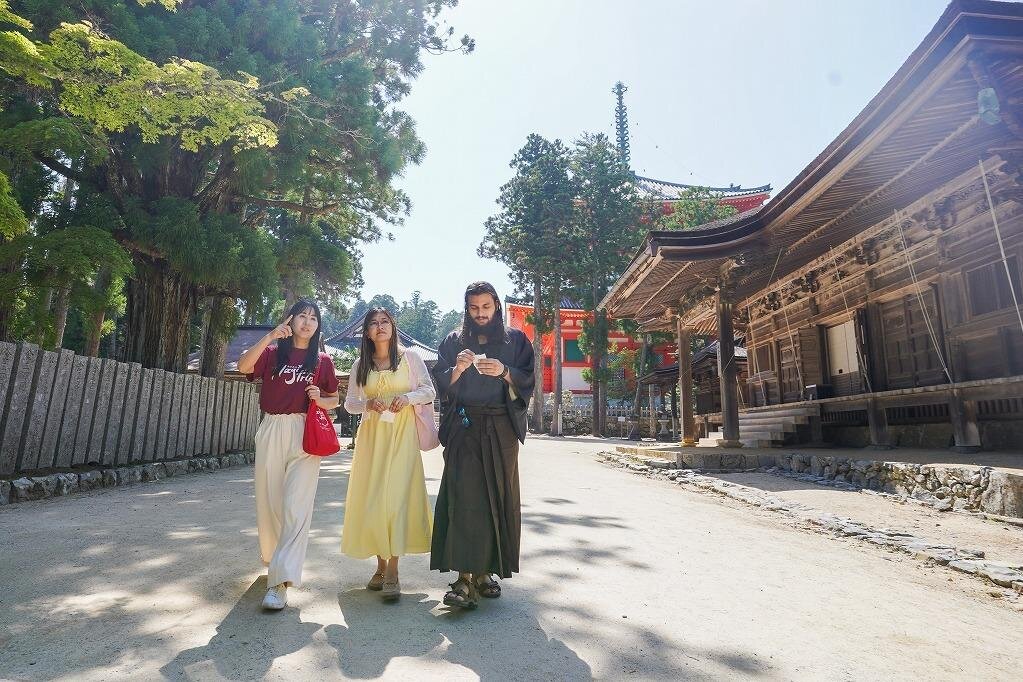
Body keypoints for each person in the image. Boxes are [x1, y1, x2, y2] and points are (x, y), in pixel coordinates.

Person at [430, 281, 535, 609]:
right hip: (464, 426)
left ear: (496, 306)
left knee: (497, 498)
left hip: (501, 429)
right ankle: (463, 578)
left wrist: (505, 372)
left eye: (486, 307)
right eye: (474, 308)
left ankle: (486, 572)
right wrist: (458, 369)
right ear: (467, 309)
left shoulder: (516, 340)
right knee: (463, 500)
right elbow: (441, 383)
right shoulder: (453, 341)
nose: (480, 313)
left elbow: (528, 379)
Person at [237, 300, 339, 611]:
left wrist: (320, 398)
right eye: (302, 316)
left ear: (318, 325)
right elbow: (243, 366)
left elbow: (334, 399)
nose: (307, 322)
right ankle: (274, 559)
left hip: (304, 431)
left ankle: (280, 582)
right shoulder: (271, 353)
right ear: (290, 320)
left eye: (313, 318)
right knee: (269, 502)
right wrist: (270, 336)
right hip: (271, 427)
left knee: (296, 506)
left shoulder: (322, 360)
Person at [341, 308, 435, 601]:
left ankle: (393, 569)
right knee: (374, 498)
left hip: (402, 436)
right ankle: (379, 566)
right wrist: (368, 404)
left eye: (384, 322)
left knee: (395, 498)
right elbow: (350, 404)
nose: (379, 327)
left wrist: (407, 398)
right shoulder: (360, 364)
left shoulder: (411, 358)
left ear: (393, 327)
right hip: (372, 439)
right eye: (373, 323)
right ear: (367, 332)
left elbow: (429, 391)